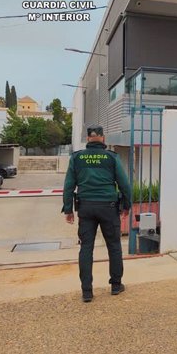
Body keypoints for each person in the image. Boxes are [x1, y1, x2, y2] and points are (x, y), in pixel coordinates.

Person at [62, 125, 132, 302]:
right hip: (108, 207)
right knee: (114, 246)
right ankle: (116, 285)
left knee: (86, 248)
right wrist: (126, 205)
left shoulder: (76, 158)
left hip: (86, 208)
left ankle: (87, 291)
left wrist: (68, 209)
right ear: (102, 138)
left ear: (87, 139)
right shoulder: (111, 157)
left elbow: (69, 185)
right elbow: (124, 184)